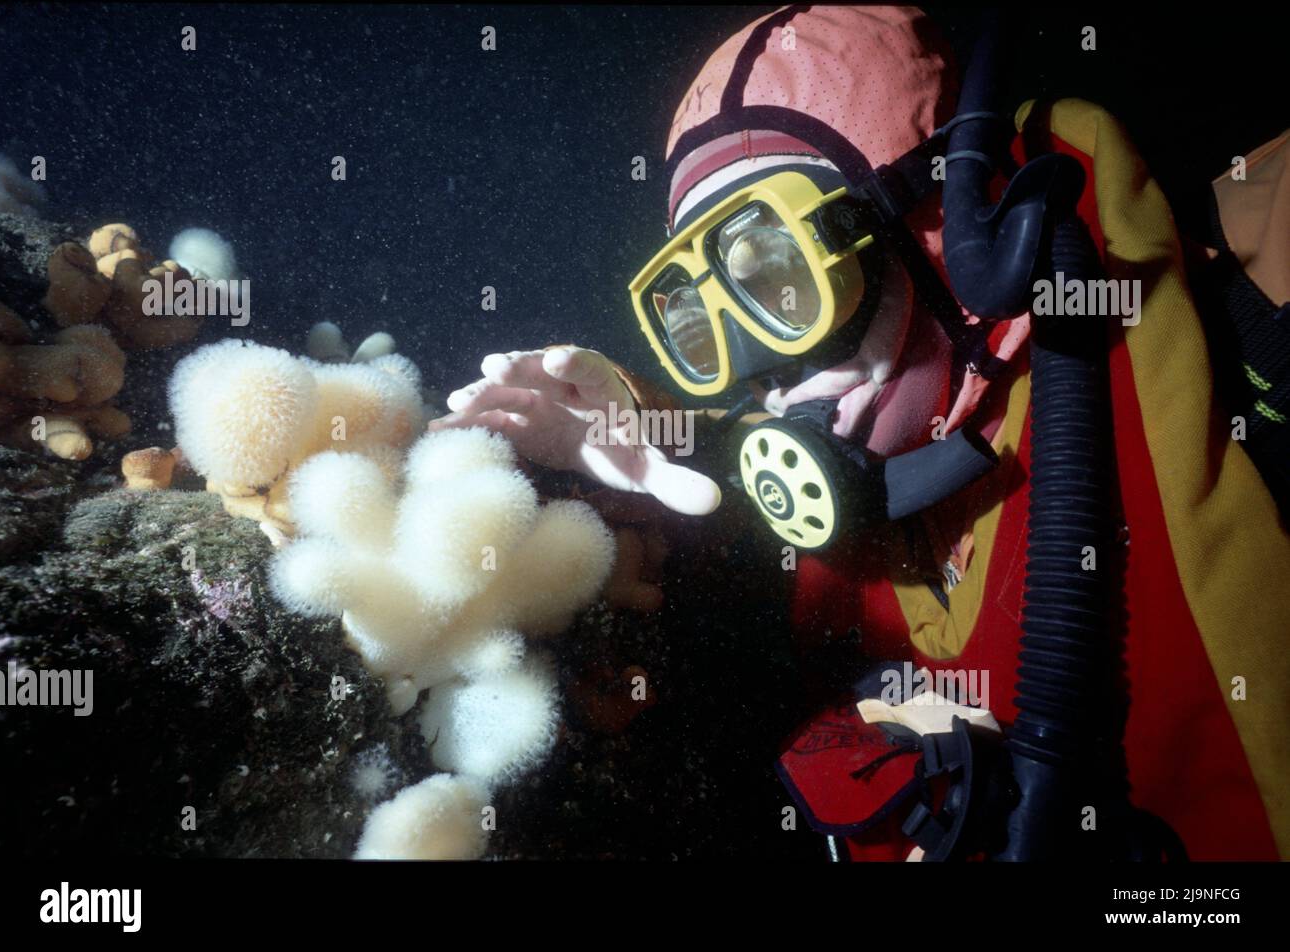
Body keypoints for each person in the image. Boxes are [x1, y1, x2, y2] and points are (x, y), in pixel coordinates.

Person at [431, 6, 1290, 860]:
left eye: (780, 279)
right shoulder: (823, 507)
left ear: (949, 229)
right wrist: (646, 438)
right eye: (697, 319)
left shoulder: (1255, 296)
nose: (757, 371)